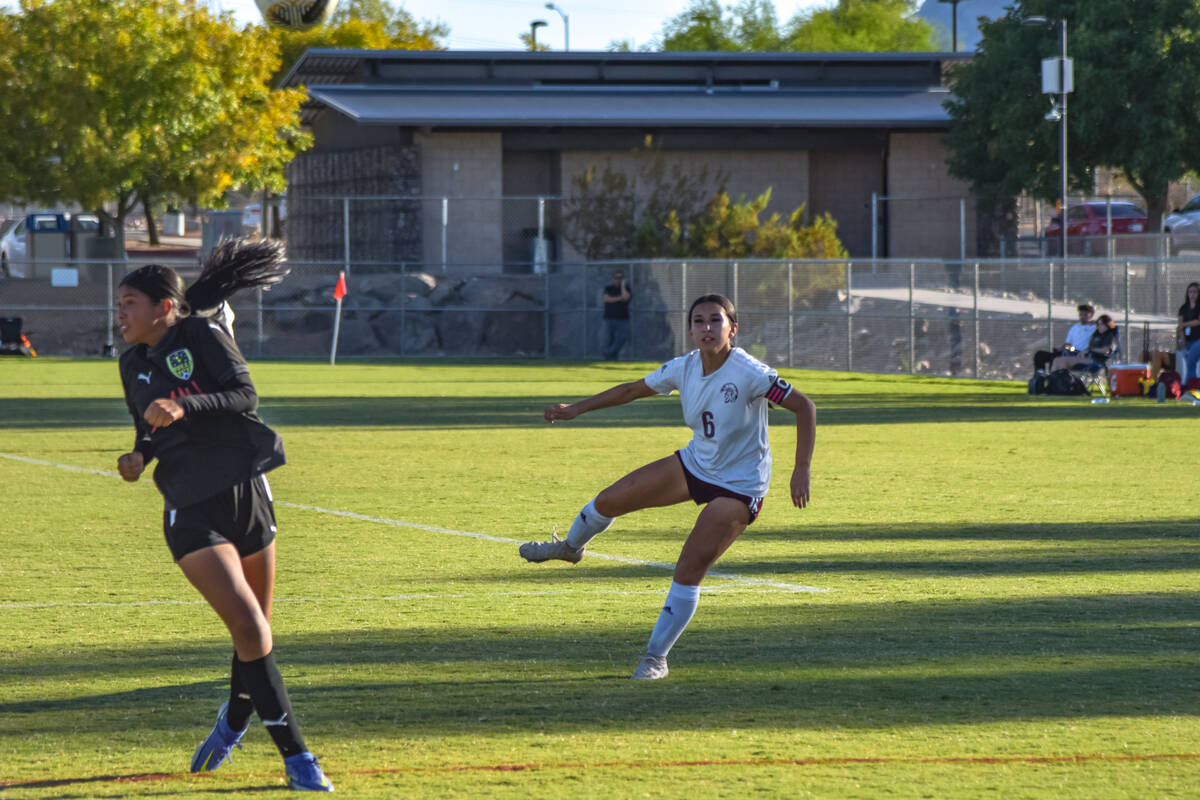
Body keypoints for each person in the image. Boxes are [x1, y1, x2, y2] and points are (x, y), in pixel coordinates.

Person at [115, 239, 333, 792]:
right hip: (190, 506)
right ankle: (299, 759)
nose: (120, 314)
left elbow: (244, 395)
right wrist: (140, 453)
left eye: (130, 303)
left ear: (165, 306)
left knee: (254, 635)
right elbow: (148, 428)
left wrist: (185, 404)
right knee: (250, 626)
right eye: (119, 304)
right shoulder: (131, 363)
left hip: (246, 493)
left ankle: (234, 720)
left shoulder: (203, 334)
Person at [519, 293, 816, 680]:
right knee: (609, 500)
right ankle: (569, 548)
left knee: (689, 565)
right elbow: (630, 390)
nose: (706, 328)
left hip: (740, 486)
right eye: (698, 321)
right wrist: (576, 409)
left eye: (716, 320)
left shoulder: (751, 372)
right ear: (690, 328)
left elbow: (805, 407)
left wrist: (801, 469)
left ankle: (655, 659)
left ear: (733, 328)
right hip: (696, 465)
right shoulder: (685, 367)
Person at [1033, 303, 1096, 373]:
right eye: (1080, 315)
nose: (1082, 317)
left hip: (1080, 356)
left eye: (1085, 315)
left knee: (1056, 359)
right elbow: (1068, 344)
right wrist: (1060, 349)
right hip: (1069, 352)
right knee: (1040, 355)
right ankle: (1040, 376)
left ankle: (1053, 378)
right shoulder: (1075, 327)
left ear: (1092, 315)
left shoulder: (1095, 328)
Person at [1049, 313, 1118, 372]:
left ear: (1108, 325)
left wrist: (1090, 351)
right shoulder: (1096, 335)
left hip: (1096, 362)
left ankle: (1061, 385)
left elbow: (1107, 351)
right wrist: (1083, 352)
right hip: (1086, 358)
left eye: (1102, 324)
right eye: (1098, 325)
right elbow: (1090, 348)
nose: (1099, 327)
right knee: (1056, 360)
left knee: (1064, 362)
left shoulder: (1110, 336)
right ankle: (1052, 384)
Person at [601, 269, 632, 360]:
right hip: (608, 318)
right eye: (616, 277)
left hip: (622, 319)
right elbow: (606, 299)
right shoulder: (609, 288)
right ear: (613, 278)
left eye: (620, 278)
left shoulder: (627, 288)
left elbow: (626, 298)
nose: (618, 279)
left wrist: (623, 286)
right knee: (608, 339)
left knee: (621, 338)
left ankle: (608, 353)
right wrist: (619, 298)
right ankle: (611, 358)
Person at [1179, 282, 1200, 381]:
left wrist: (1185, 324)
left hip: (1198, 340)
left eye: (1195, 292)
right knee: (1189, 363)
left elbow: (1198, 321)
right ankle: (1192, 385)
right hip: (1188, 340)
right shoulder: (1183, 308)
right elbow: (1180, 325)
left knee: (1191, 361)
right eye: (1190, 292)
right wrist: (1182, 339)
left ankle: (1190, 386)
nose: (1192, 294)